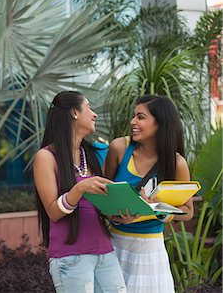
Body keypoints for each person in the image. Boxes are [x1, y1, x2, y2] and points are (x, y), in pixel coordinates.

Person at [33, 91, 127, 293]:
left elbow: (101, 207)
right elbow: (53, 211)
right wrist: (81, 187)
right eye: (89, 108)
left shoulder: (93, 154)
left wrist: (121, 216)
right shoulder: (46, 157)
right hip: (71, 258)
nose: (95, 114)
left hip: (106, 253)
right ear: (74, 113)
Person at [105, 95, 194, 293]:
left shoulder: (176, 163)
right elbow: (104, 199)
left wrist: (157, 209)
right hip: (115, 246)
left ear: (160, 123)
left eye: (140, 117)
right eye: (134, 116)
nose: (133, 122)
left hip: (150, 250)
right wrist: (117, 217)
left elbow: (188, 211)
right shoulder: (119, 148)